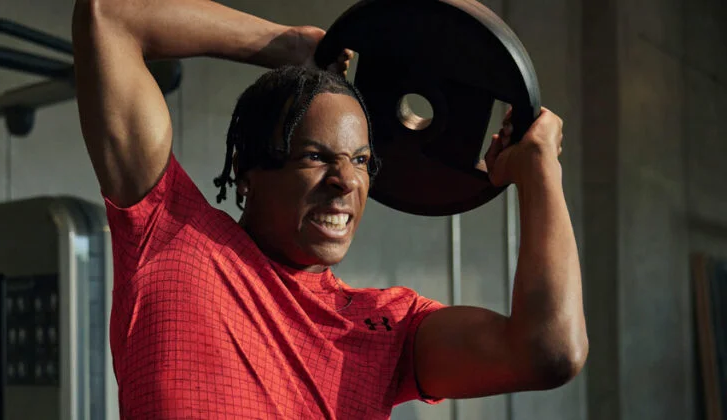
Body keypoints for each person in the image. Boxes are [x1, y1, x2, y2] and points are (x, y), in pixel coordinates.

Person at [71, 0, 588, 418]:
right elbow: (110, 15)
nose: (346, 181)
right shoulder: (170, 234)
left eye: (361, 160)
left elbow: (548, 352)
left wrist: (539, 171)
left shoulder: (387, 329)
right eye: (315, 157)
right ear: (247, 172)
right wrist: (289, 46)